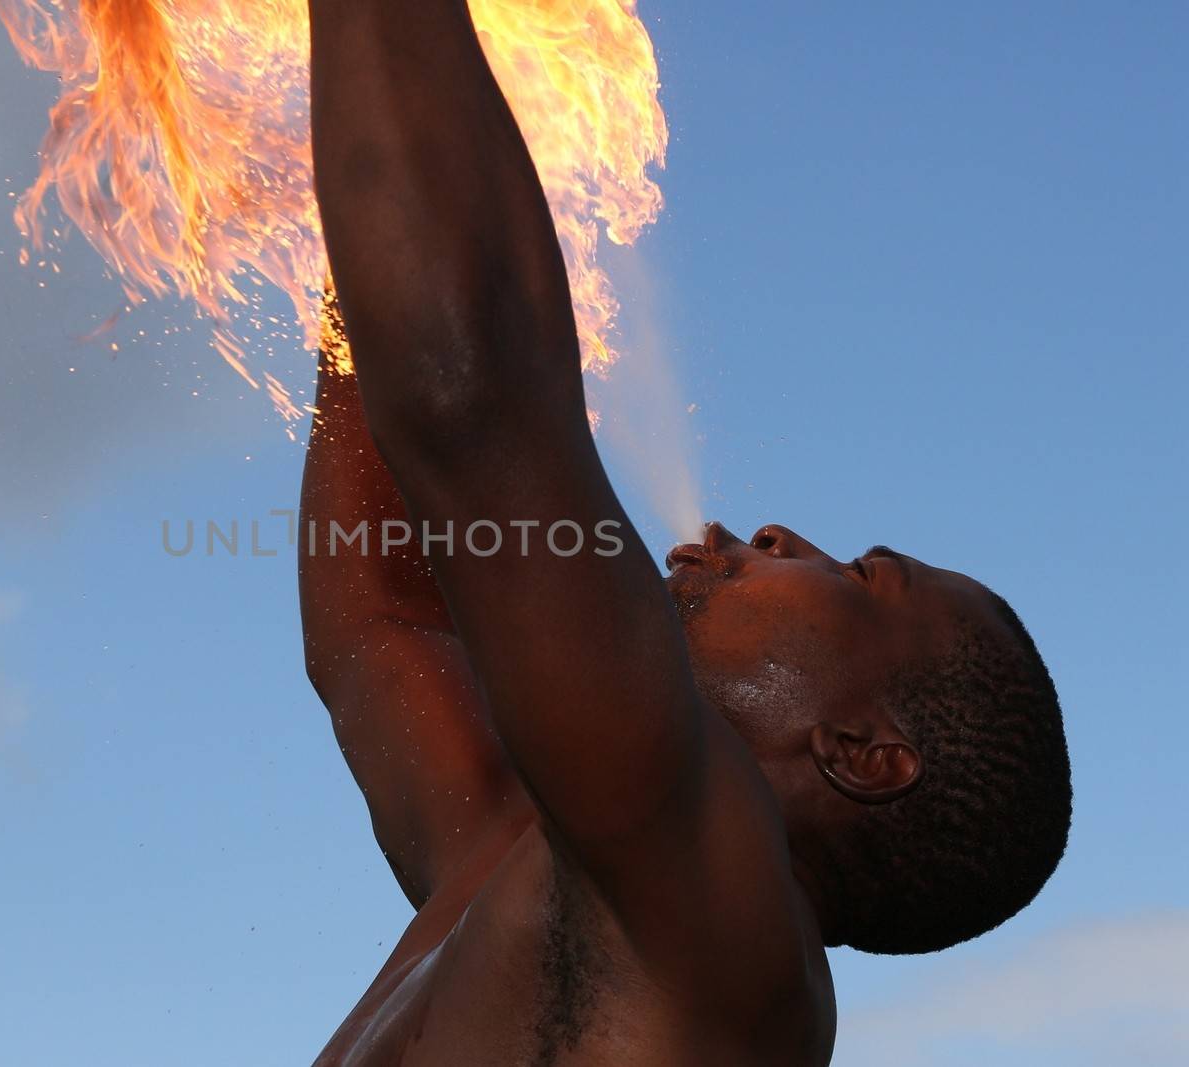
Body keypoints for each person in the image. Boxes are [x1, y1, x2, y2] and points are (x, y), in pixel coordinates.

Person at [298, 3, 1072, 1062]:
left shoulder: (728, 941)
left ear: (862, 752)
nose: (775, 531)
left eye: (857, 571)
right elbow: (381, 628)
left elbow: (474, 404)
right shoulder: (523, 857)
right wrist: (368, 242)